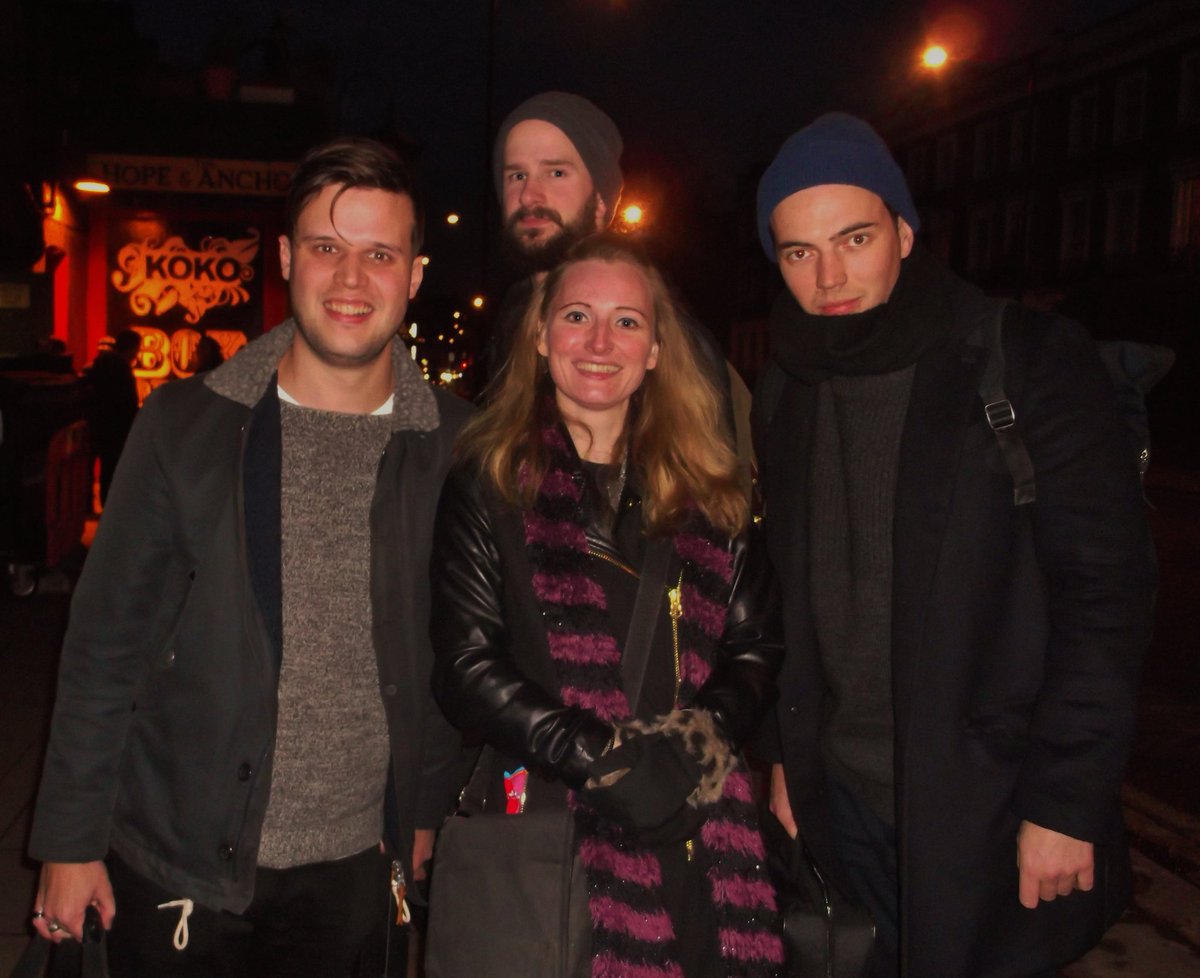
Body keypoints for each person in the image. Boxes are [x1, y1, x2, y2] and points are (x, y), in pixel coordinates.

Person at [27, 136, 474, 977]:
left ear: (414, 275)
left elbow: (450, 653)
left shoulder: (456, 445)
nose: (351, 279)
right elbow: (104, 646)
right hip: (175, 858)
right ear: (284, 259)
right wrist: (69, 840)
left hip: (354, 866)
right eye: (325, 249)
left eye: (379, 254)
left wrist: (422, 809)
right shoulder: (186, 426)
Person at [753, 113, 1157, 977]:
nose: (829, 276)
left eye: (854, 238)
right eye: (798, 252)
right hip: (845, 799)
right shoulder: (788, 384)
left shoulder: (1022, 358)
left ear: (903, 230)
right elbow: (787, 590)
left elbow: (1105, 593)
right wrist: (786, 758)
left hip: (992, 803)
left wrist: (1068, 799)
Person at [429, 233, 785, 977]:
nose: (600, 342)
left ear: (656, 347)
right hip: (549, 832)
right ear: (538, 334)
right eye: (576, 316)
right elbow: (467, 667)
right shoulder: (488, 482)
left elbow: (755, 647)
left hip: (693, 822)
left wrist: (692, 750)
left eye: (626, 321)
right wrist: (608, 761)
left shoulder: (713, 487)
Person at [486, 91, 733, 426]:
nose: (529, 194)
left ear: (602, 202)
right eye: (517, 175)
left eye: (556, 173)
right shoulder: (510, 322)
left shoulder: (679, 345)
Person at [82, 327, 140, 506]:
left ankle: (87, 505)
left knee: (90, 469)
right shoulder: (122, 369)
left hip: (96, 424)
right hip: (115, 429)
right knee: (111, 469)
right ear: (131, 348)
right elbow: (127, 403)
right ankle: (108, 505)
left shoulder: (97, 366)